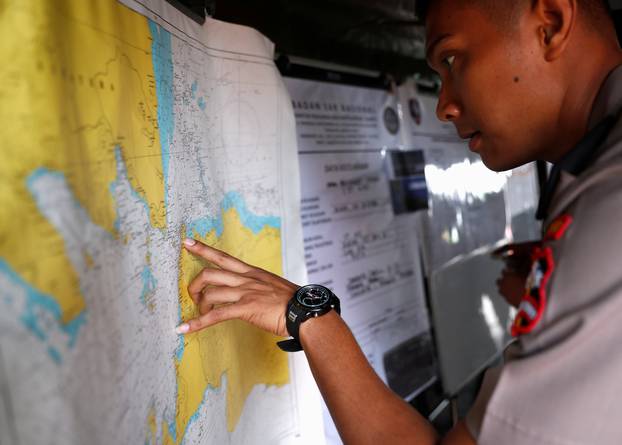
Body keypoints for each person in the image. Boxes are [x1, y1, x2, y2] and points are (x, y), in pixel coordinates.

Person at [175, 0, 622, 443]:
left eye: (451, 59)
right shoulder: (595, 174)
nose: (443, 105)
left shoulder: (607, 207)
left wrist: (312, 317)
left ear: (551, 24)